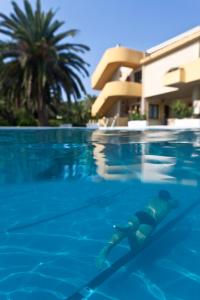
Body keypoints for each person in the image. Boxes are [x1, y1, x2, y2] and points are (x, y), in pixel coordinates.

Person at [97, 190, 179, 268]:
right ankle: (131, 234)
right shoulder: (169, 204)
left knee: (123, 231)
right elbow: (177, 204)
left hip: (139, 214)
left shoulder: (153, 199)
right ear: (168, 197)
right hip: (151, 221)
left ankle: (104, 251)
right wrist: (171, 199)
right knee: (136, 248)